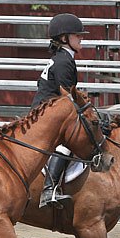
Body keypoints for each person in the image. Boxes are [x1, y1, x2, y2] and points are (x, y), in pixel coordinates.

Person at [33, 13, 89, 208]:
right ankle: (49, 189)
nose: (82, 38)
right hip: (47, 113)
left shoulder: (62, 57)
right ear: (65, 38)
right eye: (77, 35)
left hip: (48, 110)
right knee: (68, 143)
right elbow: (67, 97)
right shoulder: (64, 61)